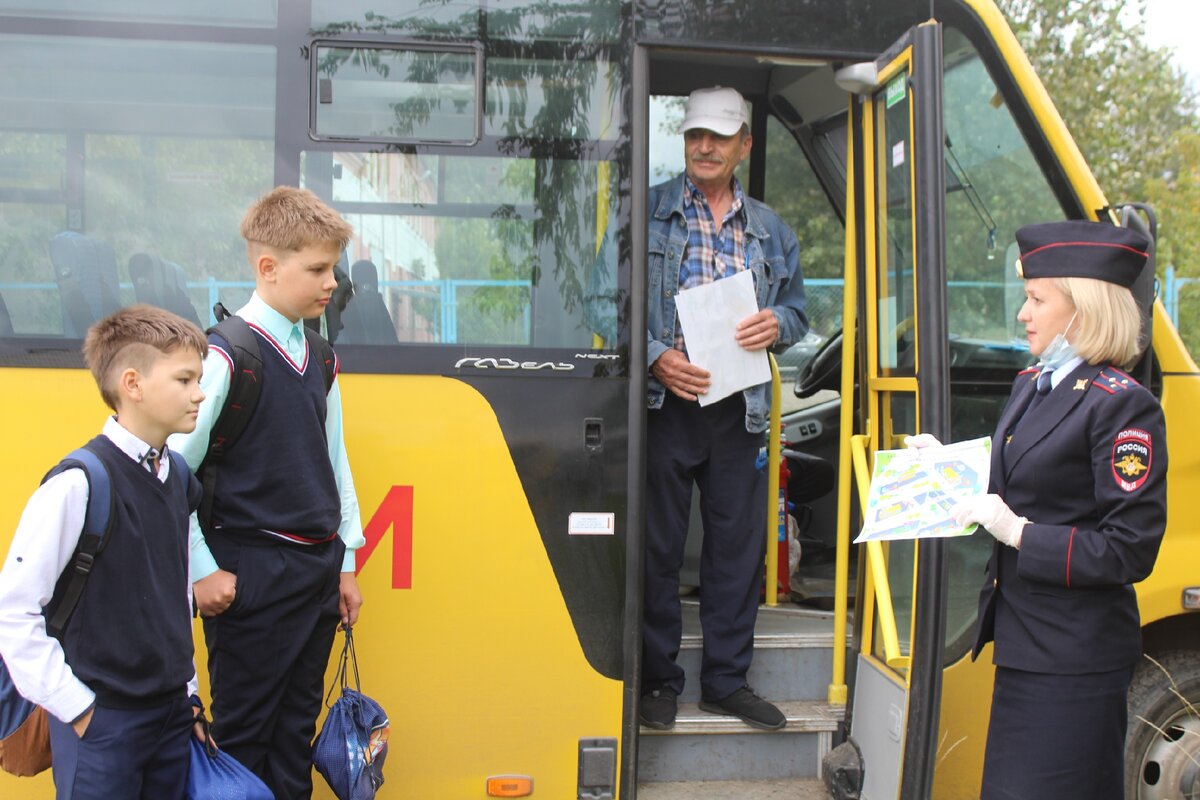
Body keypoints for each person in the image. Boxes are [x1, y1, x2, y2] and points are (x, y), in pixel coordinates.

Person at [912, 220, 1167, 798]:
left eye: (1035, 299)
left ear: (1083, 309)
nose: (1023, 314)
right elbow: (1027, 478)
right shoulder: (1034, 382)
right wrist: (948, 468)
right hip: (1028, 643)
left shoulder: (1123, 409)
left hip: (1076, 657)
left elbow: (1129, 548)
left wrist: (1021, 534)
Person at [169, 186, 366, 800]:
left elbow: (336, 465)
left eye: (332, 266)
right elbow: (172, 472)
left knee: (294, 735)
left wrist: (347, 562)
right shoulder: (231, 356)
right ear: (267, 268)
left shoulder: (321, 355)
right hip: (250, 575)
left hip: (313, 574)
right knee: (244, 736)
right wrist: (202, 569)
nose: (331, 281)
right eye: (317, 268)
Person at [640, 86, 808, 731]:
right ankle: (658, 681)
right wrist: (656, 354)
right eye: (693, 136)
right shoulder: (647, 213)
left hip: (740, 409)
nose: (704, 147)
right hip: (667, 402)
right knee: (658, 549)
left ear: (745, 144)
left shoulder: (771, 229)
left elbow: (796, 310)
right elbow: (605, 303)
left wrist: (778, 326)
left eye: (718, 136)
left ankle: (726, 683)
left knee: (737, 551)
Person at [0, 305, 208, 799]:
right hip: (101, 724)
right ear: (132, 384)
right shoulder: (79, 483)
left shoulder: (176, 476)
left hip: (171, 719)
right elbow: (14, 610)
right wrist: (79, 709)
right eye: (184, 379)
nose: (199, 393)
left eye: (198, 379)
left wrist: (189, 696)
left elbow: (173, 596)